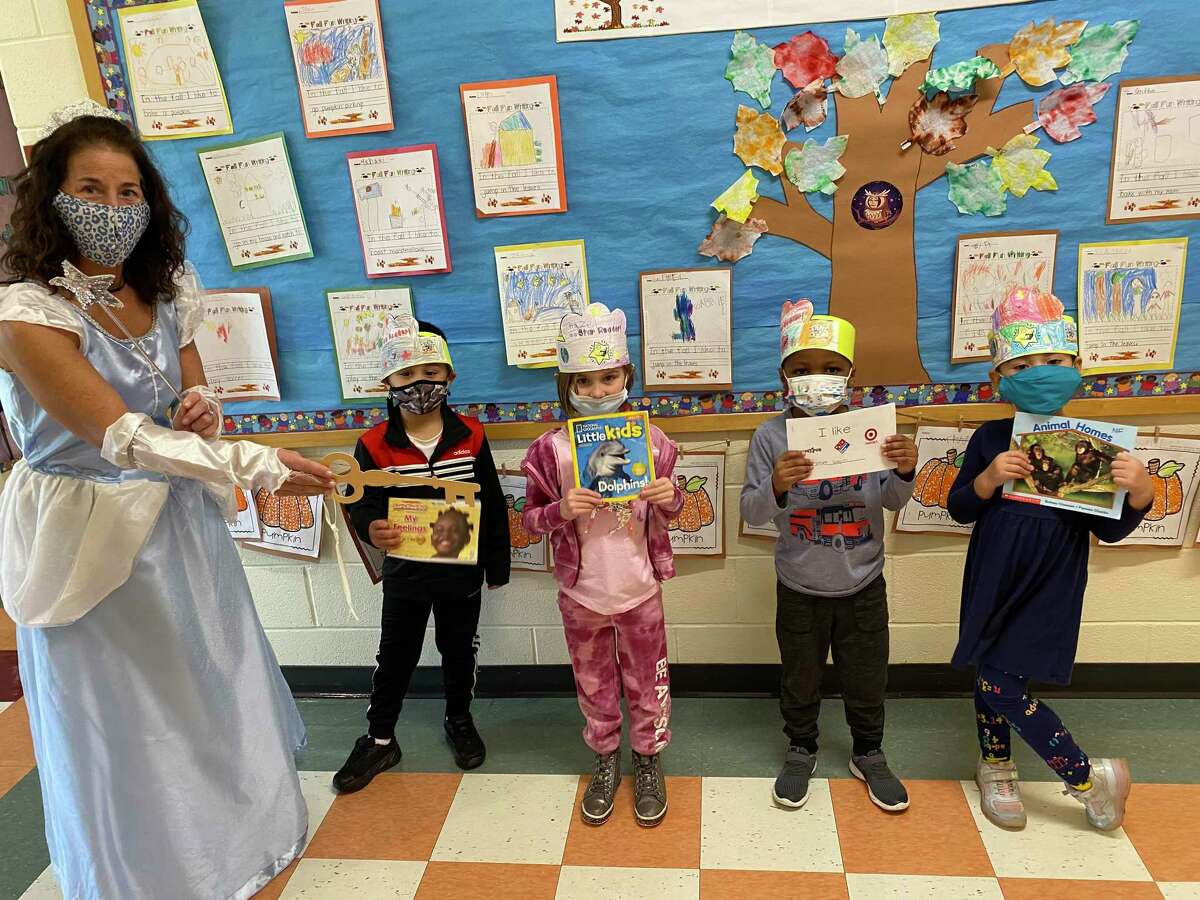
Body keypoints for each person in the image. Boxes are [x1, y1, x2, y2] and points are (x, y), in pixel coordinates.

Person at [0, 100, 335, 899]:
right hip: (92, 538)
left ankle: (241, 842)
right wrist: (249, 463)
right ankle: (155, 871)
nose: (112, 210)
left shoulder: (167, 285)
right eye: (90, 189)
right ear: (50, 198)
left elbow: (184, 400)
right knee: (130, 710)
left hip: (178, 523)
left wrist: (206, 414)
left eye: (127, 192)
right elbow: (119, 436)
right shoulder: (25, 315)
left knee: (210, 680)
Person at [947, 287, 1152, 832]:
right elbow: (960, 507)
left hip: (1051, 580)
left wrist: (1140, 494)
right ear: (1001, 379)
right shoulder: (990, 437)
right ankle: (996, 764)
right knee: (989, 668)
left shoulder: (1093, 445)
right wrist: (989, 478)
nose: (1042, 371)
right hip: (993, 572)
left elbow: (1110, 530)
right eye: (1025, 363)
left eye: (1055, 361)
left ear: (1076, 367)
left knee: (1000, 682)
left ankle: (1087, 777)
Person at [741, 299, 918, 813]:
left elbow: (891, 500)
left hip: (864, 581)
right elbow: (751, 511)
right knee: (800, 674)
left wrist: (905, 471)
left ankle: (869, 751)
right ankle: (801, 747)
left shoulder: (873, 426)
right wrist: (776, 483)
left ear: (851, 375)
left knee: (868, 674)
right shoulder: (770, 435)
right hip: (798, 582)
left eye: (831, 369)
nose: (816, 379)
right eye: (802, 370)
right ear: (783, 377)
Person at [521, 302, 684, 827]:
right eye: (584, 381)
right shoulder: (550, 451)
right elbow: (529, 521)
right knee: (593, 682)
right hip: (582, 594)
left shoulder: (652, 442)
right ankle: (605, 758)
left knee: (646, 679)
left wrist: (667, 497)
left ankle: (648, 759)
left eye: (608, 377)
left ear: (626, 377)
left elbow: (675, 509)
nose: (597, 391)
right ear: (565, 385)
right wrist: (559, 509)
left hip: (640, 591)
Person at [334, 318, 510, 791]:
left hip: (461, 571)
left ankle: (458, 718)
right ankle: (379, 738)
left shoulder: (471, 436)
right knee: (395, 654)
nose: (420, 384)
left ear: (450, 378)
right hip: (406, 574)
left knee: (458, 650)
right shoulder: (373, 442)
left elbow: (491, 501)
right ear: (387, 382)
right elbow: (358, 498)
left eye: (431, 371)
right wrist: (372, 525)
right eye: (407, 374)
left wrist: (498, 565)